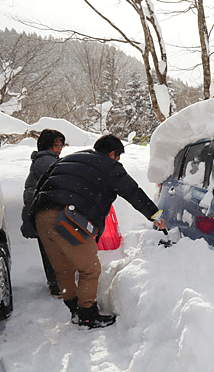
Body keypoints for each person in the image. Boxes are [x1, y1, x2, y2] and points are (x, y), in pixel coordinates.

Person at [30, 134, 166, 329]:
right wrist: (155, 215)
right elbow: (132, 192)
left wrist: (31, 220)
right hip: (67, 218)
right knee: (90, 268)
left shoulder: (68, 159)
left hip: (42, 216)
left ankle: (75, 310)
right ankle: (87, 315)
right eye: (118, 157)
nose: (117, 161)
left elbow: (40, 186)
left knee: (64, 269)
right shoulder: (109, 165)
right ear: (112, 154)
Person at [21, 129, 66, 297]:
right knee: (54, 249)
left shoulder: (43, 160)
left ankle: (56, 284)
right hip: (44, 212)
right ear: (47, 146)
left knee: (48, 248)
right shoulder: (47, 161)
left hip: (39, 211)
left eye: (61, 145)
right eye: (56, 145)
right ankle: (59, 285)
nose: (59, 148)